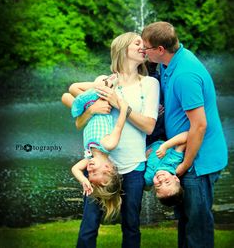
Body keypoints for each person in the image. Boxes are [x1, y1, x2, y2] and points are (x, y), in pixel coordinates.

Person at [66, 32, 160, 248]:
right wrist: (91, 109)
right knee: (89, 225)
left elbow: (149, 125)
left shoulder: (149, 84)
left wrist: (119, 104)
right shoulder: (107, 82)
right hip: (101, 168)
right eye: (137, 43)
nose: (143, 47)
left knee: (131, 225)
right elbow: (76, 106)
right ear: (122, 49)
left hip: (133, 166)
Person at [141, 21, 228, 248]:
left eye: (146, 48)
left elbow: (199, 126)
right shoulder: (171, 63)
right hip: (184, 154)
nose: (143, 51)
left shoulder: (185, 74)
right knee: (186, 219)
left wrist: (183, 166)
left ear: (160, 50)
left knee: (197, 224)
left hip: (198, 160)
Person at [62, 75, 129, 220]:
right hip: (102, 103)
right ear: (108, 169)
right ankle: (111, 79)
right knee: (76, 87)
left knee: (66, 96)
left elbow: (75, 169)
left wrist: (84, 181)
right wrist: (124, 109)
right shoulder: (108, 145)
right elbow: (119, 126)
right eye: (94, 173)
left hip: (89, 109)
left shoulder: (89, 156)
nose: (89, 170)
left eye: (89, 174)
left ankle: (106, 81)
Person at [144, 131, 188, 206]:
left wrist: (143, 159)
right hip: (161, 134)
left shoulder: (148, 178)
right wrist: (165, 146)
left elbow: (145, 187)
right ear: (175, 178)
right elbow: (187, 135)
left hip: (145, 141)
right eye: (167, 182)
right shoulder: (173, 162)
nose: (161, 180)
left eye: (158, 186)